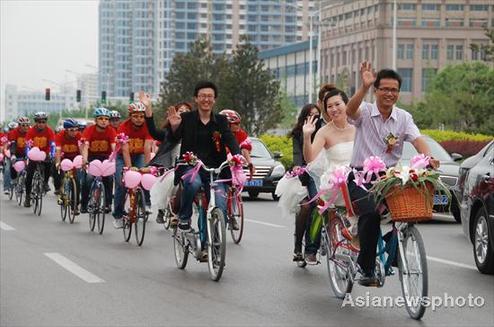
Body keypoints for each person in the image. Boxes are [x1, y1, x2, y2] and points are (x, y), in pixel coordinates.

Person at [345, 61, 439, 287]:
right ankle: (365, 268)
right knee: (371, 214)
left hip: (389, 179)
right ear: (376, 90)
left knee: (406, 213)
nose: (389, 93)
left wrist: (429, 158)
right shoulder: (366, 111)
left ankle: (389, 249)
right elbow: (349, 111)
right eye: (384, 89)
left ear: (398, 92)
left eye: (394, 89)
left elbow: (418, 140)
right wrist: (363, 87)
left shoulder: (404, 118)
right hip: (361, 178)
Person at [163, 81, 240, 246]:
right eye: (203, 96)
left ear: (214, 100)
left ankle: (214, 245)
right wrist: (175, 127)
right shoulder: (186, 118)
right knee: (192, 183)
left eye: (210, 96)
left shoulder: (221, 120)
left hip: (216, 170)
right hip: (191, 166)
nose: (206, 99)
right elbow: (173, 140)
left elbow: (230, 139)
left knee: (220, 205)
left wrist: (238, 156)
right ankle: (184, 217)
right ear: (196, 99)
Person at [276, 104, 322, 265]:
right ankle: (298, 248)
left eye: (317, 115)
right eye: (310, 115)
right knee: (307, 207)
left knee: (325, 207)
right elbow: (297, 153)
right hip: (304, 175)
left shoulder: (324, 129)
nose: (314, 118)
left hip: (324, 173)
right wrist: (297, 166)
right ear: (304, 116)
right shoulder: (299, 133)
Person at [145, 101, 192, 225]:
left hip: (190, 169)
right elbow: (153, 131)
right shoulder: (168, 133)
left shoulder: (196, 133)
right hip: (171, 168)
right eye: (181, 111)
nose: (184, 114)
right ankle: (166, 210)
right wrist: (148, 107)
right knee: (174, 183)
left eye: (187, 111)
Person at [112, 101, 154, 229]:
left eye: (141, 116)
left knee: (145, 176)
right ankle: (118, 215)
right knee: (122, 183)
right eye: (135, 116)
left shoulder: (147, 126)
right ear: (130, 116)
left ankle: (146, 203)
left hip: (139, 155)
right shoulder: (123, 127)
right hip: (122, 157)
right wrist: (129, 168)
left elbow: (147, 147)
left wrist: (147, 166)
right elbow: (124, 150)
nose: (139, 119)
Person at [80, 107, 117, 214]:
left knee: (109, 178)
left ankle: (107, 204)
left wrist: (115, 160)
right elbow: (85, 147)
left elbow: (114, 147)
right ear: (96, 120)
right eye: (101, 118)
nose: (104, 121)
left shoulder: (111, 131)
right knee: (88, 179)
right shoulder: (89, 130)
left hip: (106, 158)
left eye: (106, 119)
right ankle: (84, 204)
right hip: (92, 158)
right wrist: (85, 160)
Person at [23, 112, 56, 207]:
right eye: (38, 121)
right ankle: (28, 196)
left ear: (46, 122)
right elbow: (28, 145)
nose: (41, 123)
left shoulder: (49, 131)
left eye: (43, 121)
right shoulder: (31, 131)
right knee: (29, 175)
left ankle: (45, 183)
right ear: (35, 122)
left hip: (45, 154)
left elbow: (52, 144)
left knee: (49, 165)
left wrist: (52, 154)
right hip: (33, 154)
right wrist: (28, 154)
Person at [53, 119, 82, 213]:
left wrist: (83, 161)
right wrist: (58, 163)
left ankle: (75, 206)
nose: (74, 132)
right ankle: (60, 193)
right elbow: (57, 151)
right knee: (59, 174)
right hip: (63, 158)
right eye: (71, 130)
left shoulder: (79, 136)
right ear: (66, 130)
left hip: (75, 159)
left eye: (76, 129)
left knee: (76, 181)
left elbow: (82, 150)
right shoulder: (60, 136)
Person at [218, 109, 255, 178]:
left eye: (239, 123)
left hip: (231, 167)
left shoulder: (240, 133)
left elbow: (244, 148)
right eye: (236, 124)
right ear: (226, 124)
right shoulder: (215, 134)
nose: (238, 126)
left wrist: (249, 163)